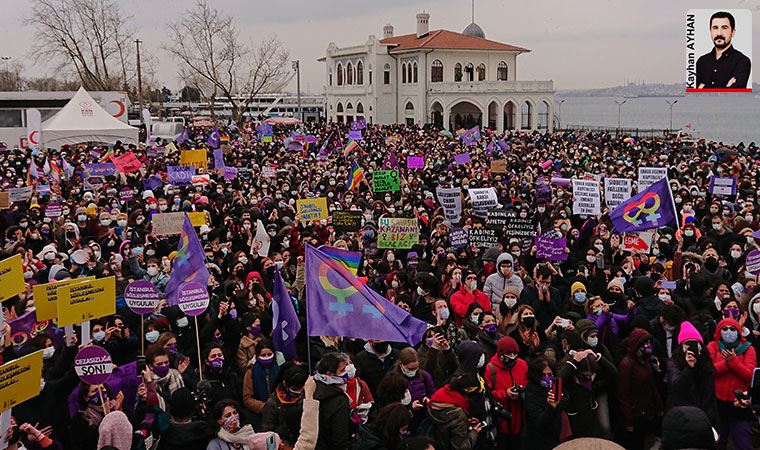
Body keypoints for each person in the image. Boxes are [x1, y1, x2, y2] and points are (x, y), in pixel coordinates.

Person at [706, 317, 756, 450]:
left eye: (733, 329)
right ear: (719, 332)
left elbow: (749, 376)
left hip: (739, 403)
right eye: (725, 329)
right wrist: (728, 362)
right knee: (718, 442)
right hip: (717, 402)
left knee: (743, 442)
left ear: (738, 332)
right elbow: (709, 370)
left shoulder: (748, 349)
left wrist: (734, 361)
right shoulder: (713, 346)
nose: (729, 332)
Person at [617, 328, 664, 450]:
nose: (648, 346)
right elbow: (623, 395)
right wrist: (629, 421)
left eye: (649, 343)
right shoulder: (626, 365)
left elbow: (650, 385)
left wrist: (659, 407)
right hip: (635, 415)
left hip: (647, 411)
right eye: (645, 344)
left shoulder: (645, 360)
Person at [484, 336, 528, 448]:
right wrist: (505, 394)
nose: (512, 357)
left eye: (515, 354)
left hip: (520, 419)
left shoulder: (522, 365)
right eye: (509, 354)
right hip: (501, 422)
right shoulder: (491, 369)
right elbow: (487, 395)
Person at [696, 11, 752, 89]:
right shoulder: (701, 62)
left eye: (724, 28)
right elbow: (694, 93)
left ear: (733, 32)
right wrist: (725, 88)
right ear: (710, 31)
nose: (719, 33)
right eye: (715, 28)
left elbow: (736, 92)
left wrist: (704, 88)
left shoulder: (742, 61)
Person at [428, 373, 484, 450]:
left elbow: (446, 424)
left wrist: (466, 423)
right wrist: (474, 432)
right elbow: (460, 447)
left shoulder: (438, 397)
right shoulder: (459, 414)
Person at [522, 356, 565, 450]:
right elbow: (539, 423)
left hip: (555, 438)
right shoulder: (530, 393)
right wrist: (551, 407)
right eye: (543, 375)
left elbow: (566, 400)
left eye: (549, 374)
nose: (546, 378)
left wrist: (559, 400)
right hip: (537, 442)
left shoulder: (555, 385)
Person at [206, 399, 280, 450]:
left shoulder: (248, 433)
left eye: (235, 413)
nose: (233, 417)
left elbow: (273, 439)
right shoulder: (215, 445)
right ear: (220, 421)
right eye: (228, 415)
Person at [313, 352, 351, 450]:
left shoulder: (311, 388)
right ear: (329, 374)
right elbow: (340, 438)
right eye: (342, 370)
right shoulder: (339, 400)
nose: (345, 373)